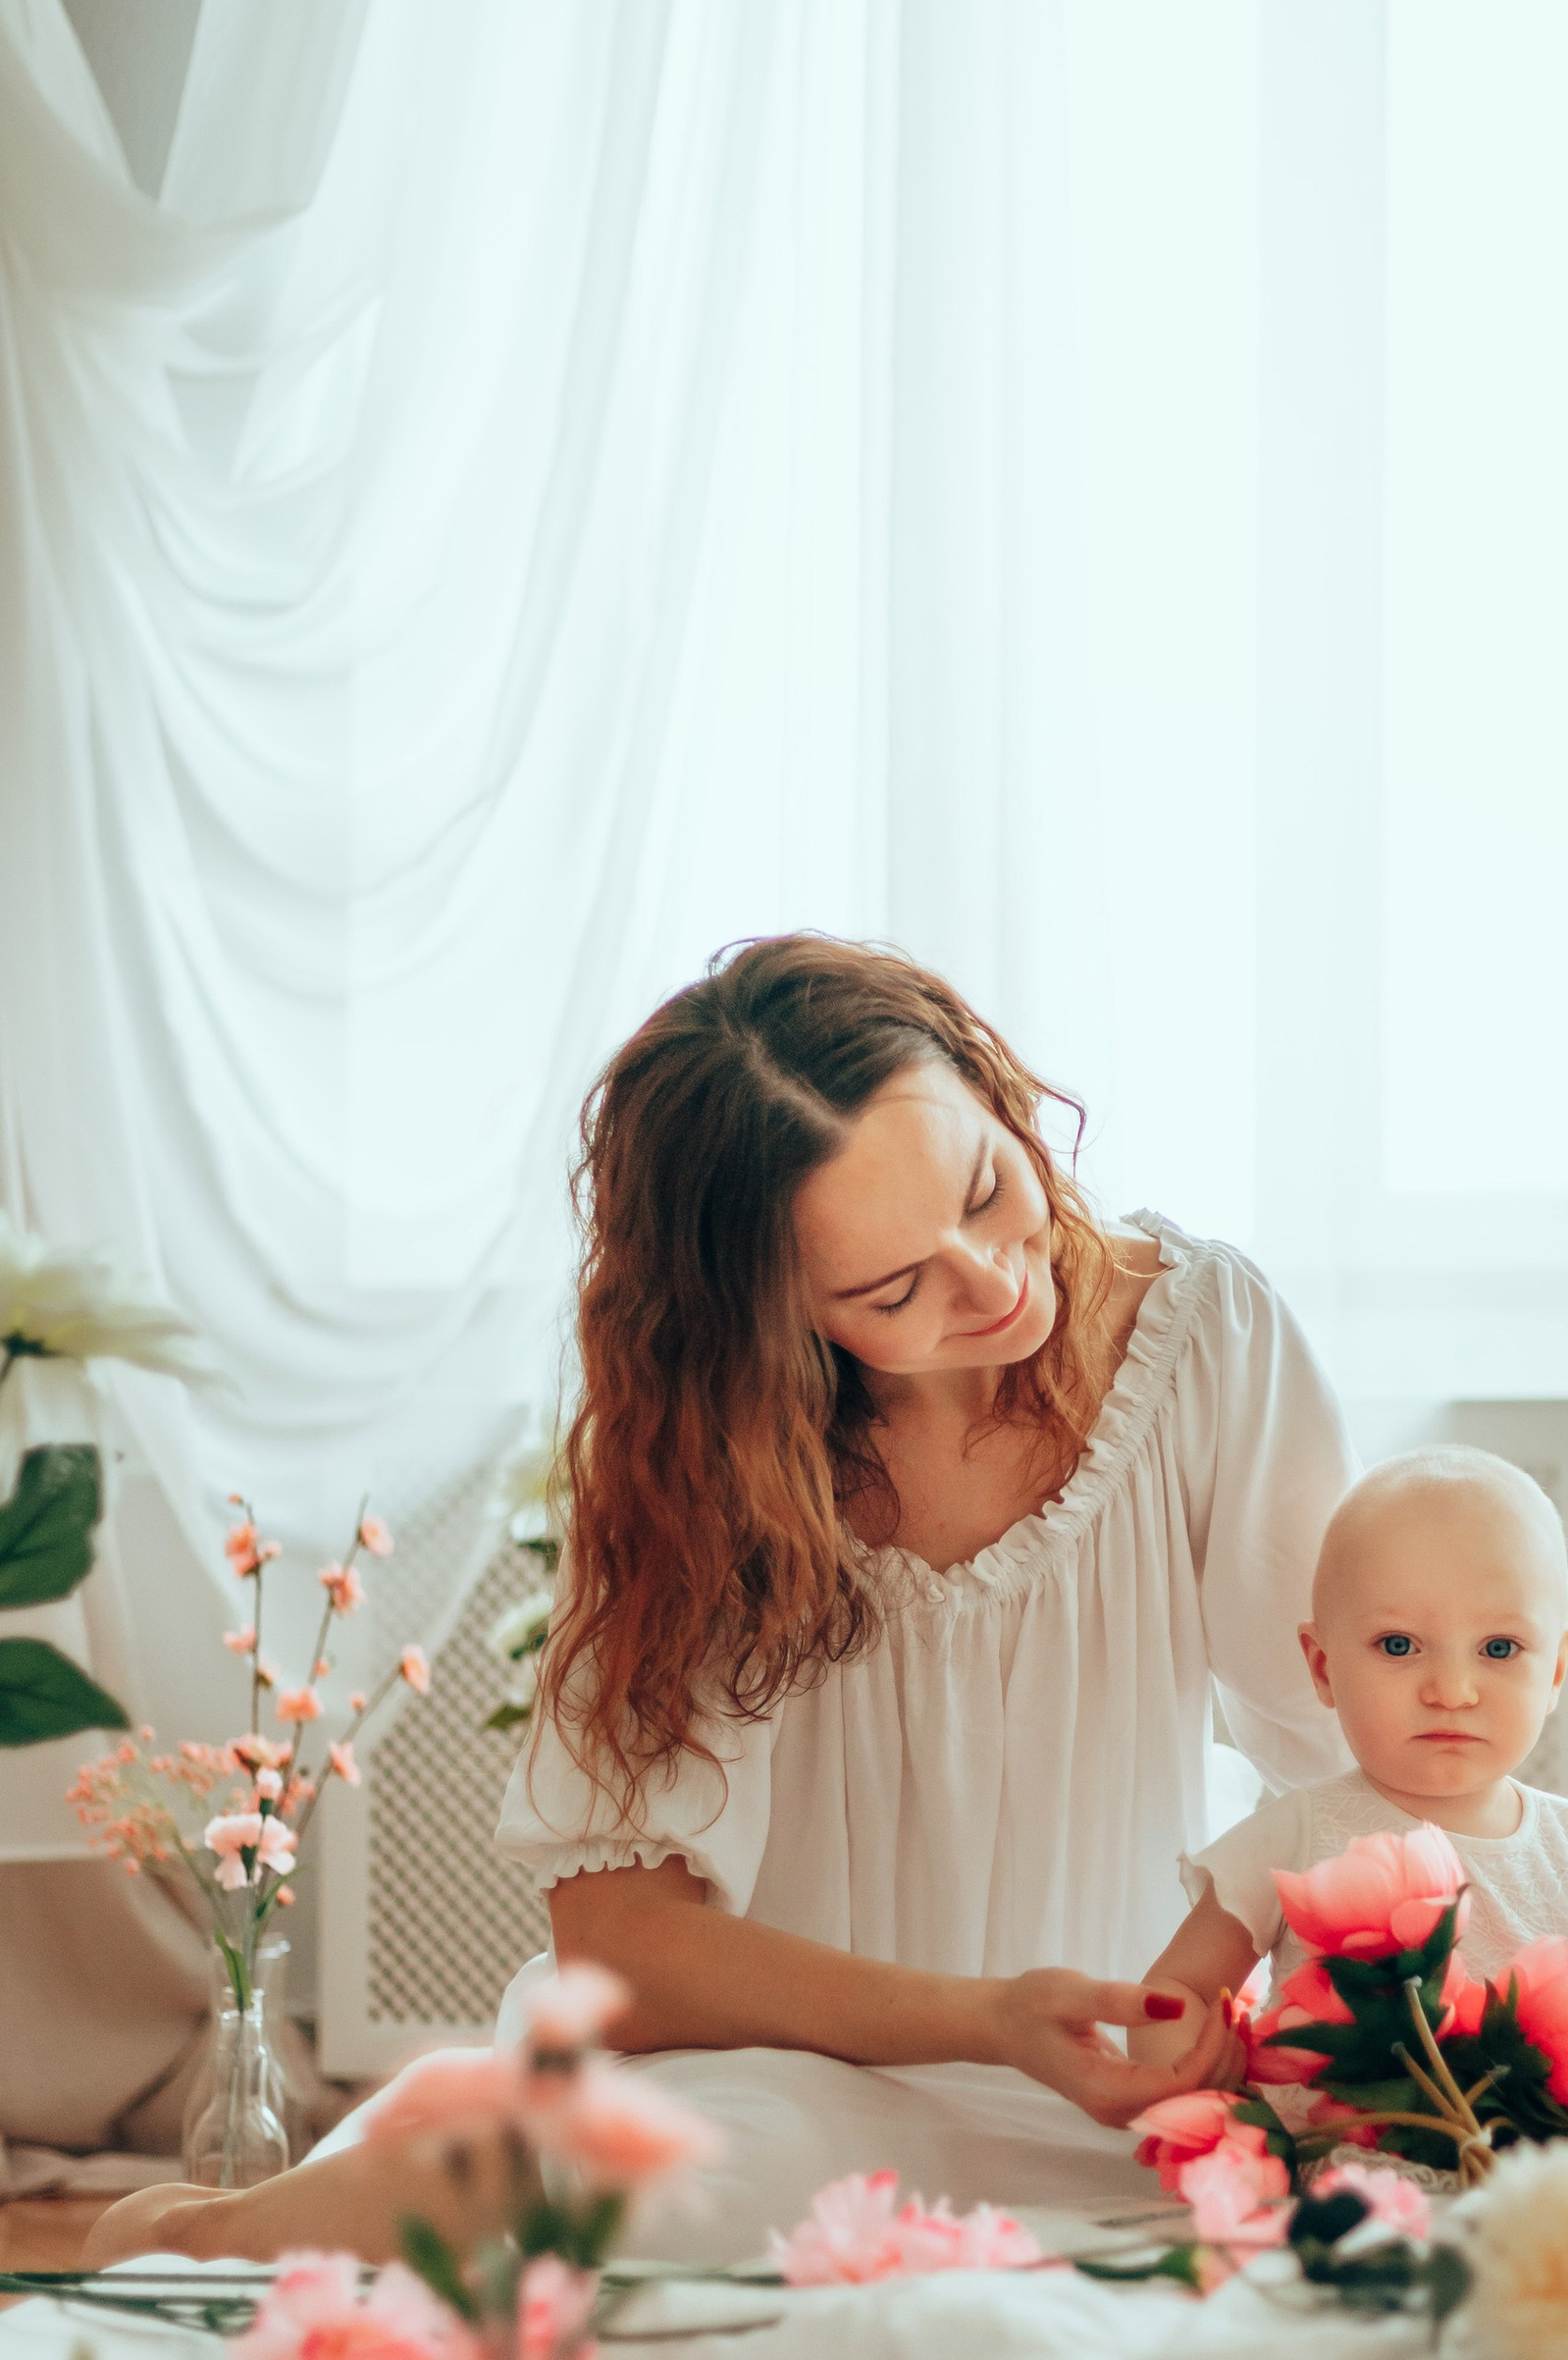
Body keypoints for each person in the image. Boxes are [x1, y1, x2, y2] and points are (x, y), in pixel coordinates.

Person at [91, 935, 1357, 2264]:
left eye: (987, 1187)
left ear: (991, 1090)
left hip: (1121, 2080)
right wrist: (985, 2021)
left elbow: (1346, 1758)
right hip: (786, 2077)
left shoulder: (1208, 1339)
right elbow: (623, 1950)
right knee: (680, 2173)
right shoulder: (699, 1456)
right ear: (766, 1319)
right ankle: (203, 2238)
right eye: (891, 1288)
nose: (993, 1282)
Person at [1146, 1447, 1568, 2172]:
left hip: (1556, 2157)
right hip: (1363, 2167)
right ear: (1323, 1666)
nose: (1452, 1690)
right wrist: (1207, 2096)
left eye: (1499, 1648)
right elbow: (1177, 1987)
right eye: (1399, 1645)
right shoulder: (1298, 1834)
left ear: (1555, 1670)